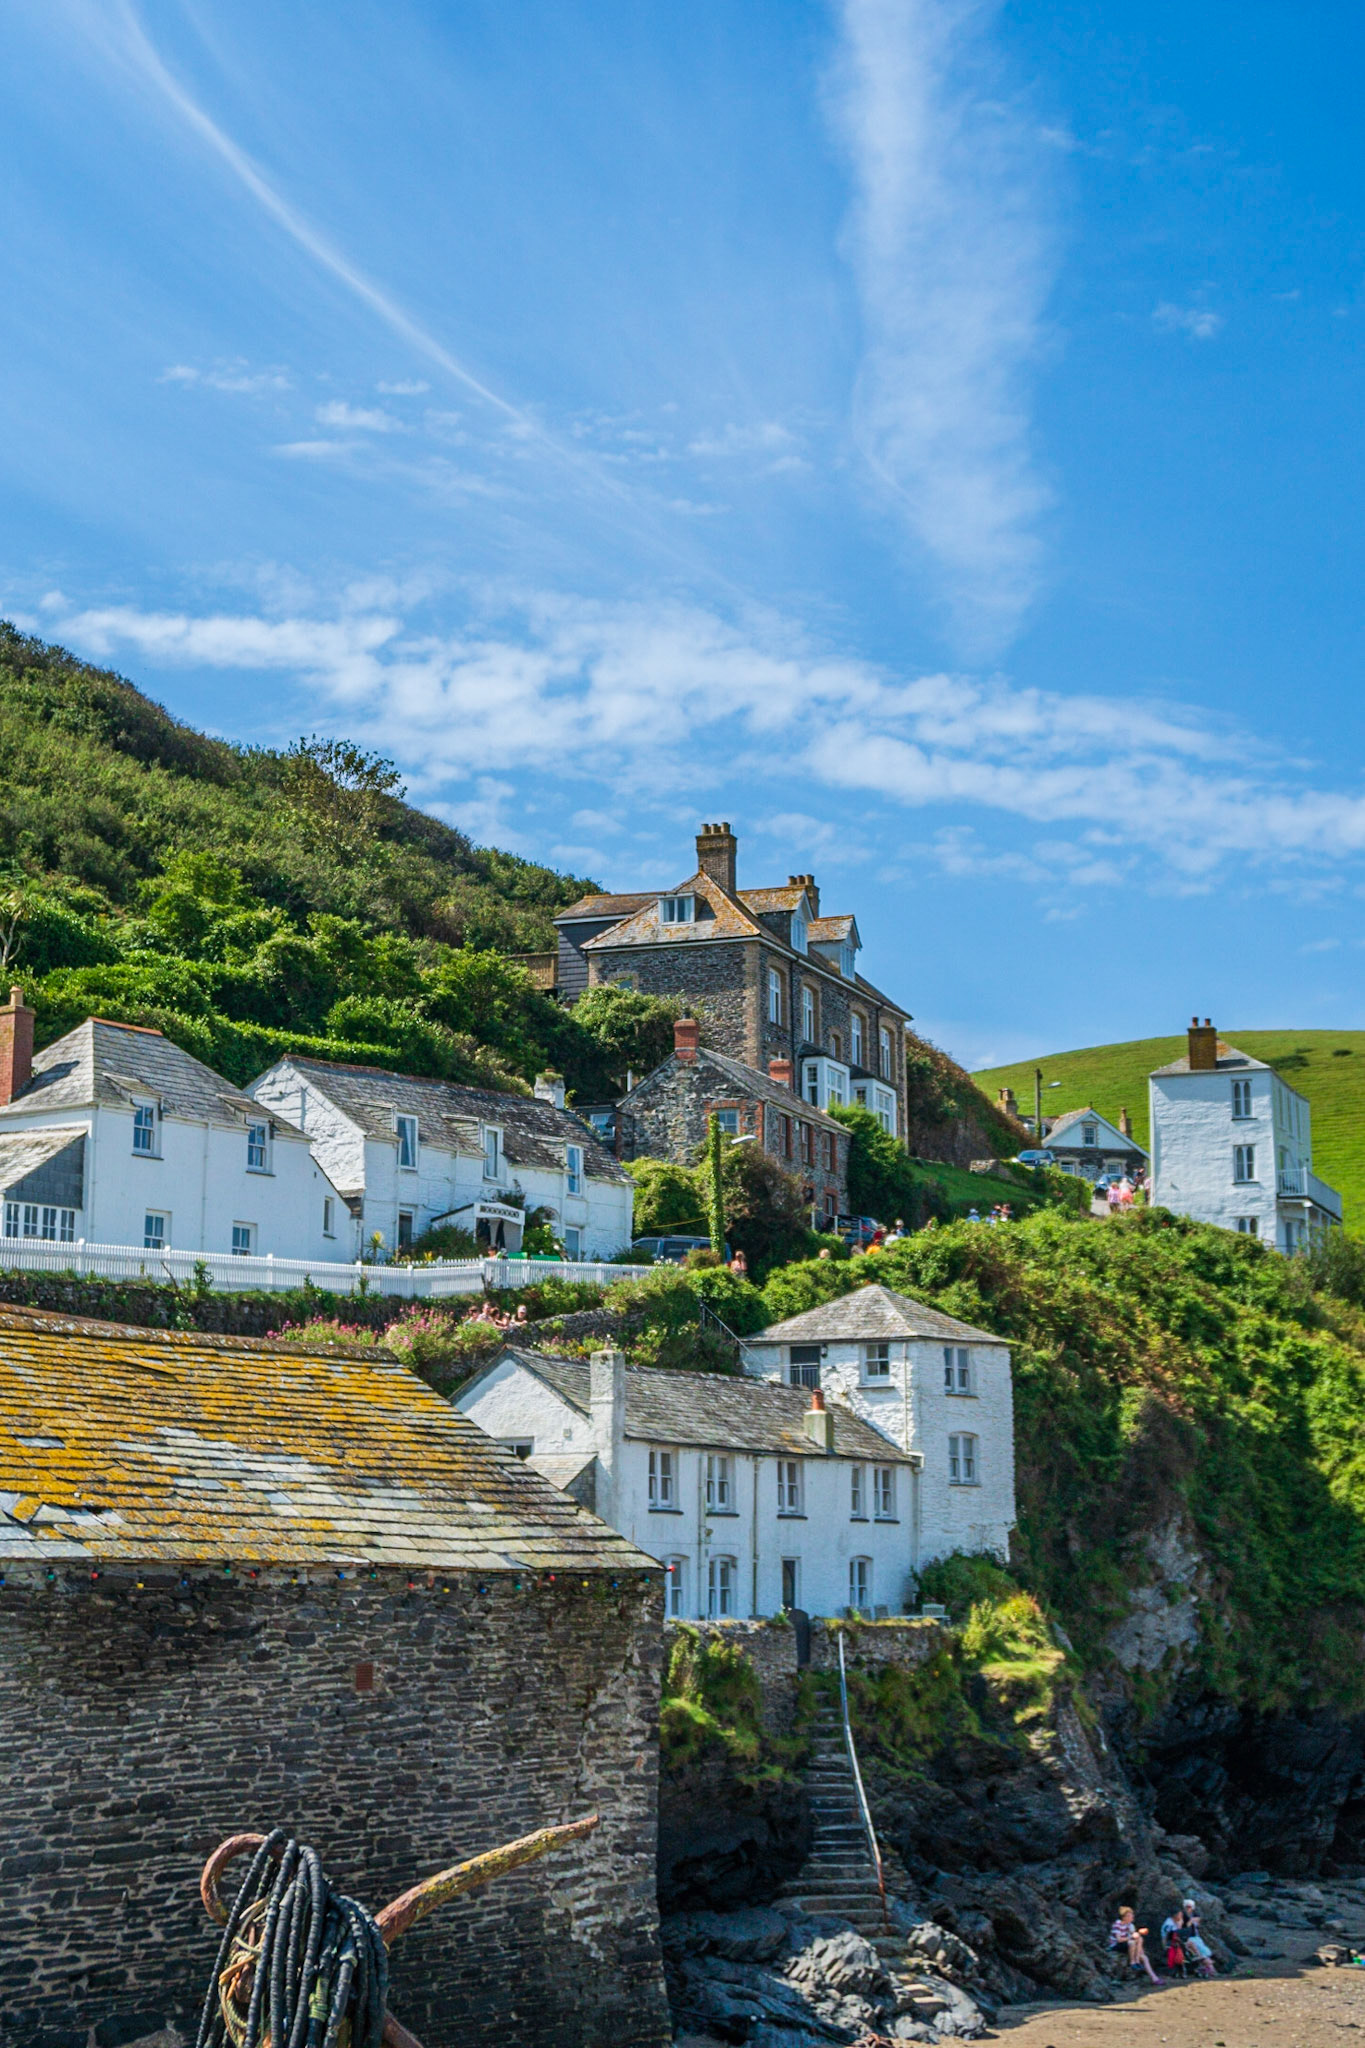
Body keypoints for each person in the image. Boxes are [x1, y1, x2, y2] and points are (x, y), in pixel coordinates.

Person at [1109, 1906, 1161, 1985]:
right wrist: (1132, 1937)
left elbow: (1136, 1937)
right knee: (1132, 1942)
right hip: (1118, 1945)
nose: (1132, 1917)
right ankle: (1133, 1962)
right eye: (1130, 1915)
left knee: (1143, 1955)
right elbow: (1119, 1939)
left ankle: (1154, 1978)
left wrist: (1138, 1935)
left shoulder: (1130, 1925)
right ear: (1124, 1917)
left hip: (1131, 1946)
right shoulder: (1117, 1925)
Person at [1181, 1901, 1216, 1977]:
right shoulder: (1182, 1916)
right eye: (1187, 1906)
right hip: (1189, 1938)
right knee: (1201, 1954)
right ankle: (1210, 1970)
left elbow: (1198, 1922)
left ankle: (1210, 1970)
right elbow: (1185, 1927)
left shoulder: (1194, 1915)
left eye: (1189, 1907)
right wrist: (1190, 1921)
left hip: (1195, 1937)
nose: (1188, 1908)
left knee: (1204, 1953)